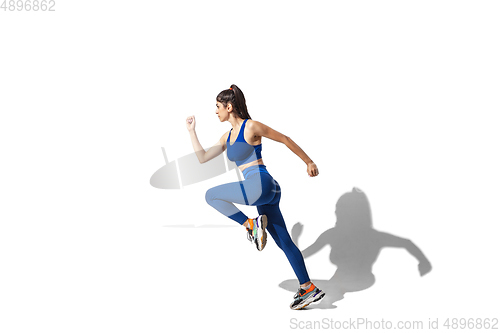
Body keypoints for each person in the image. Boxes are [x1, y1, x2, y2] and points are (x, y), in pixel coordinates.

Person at [185, 84, 325, 310]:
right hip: (266, 193)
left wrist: (308, 161)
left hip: (260, 184)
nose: (216, 111)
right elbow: (202, 158)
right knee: (284, 242)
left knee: (211, 195)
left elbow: (285, 139)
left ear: (229, 107)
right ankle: (308, 287)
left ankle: (250, 224)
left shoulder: (251, 126)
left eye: (218, 106)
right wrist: (191, 131)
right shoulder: (226, 136)